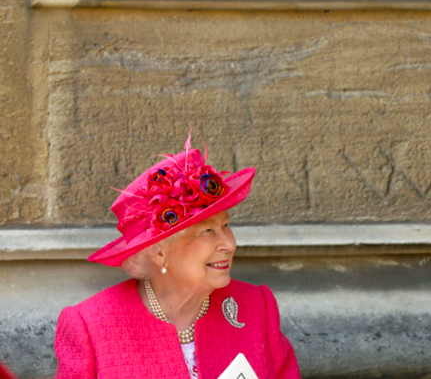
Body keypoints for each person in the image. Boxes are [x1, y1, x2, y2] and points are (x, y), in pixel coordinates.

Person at [54, 133, 300, 378]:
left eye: (226, 226)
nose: (229, 244)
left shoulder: (256, 306)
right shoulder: (91, 326)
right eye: (207, 231)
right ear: (159, 252)